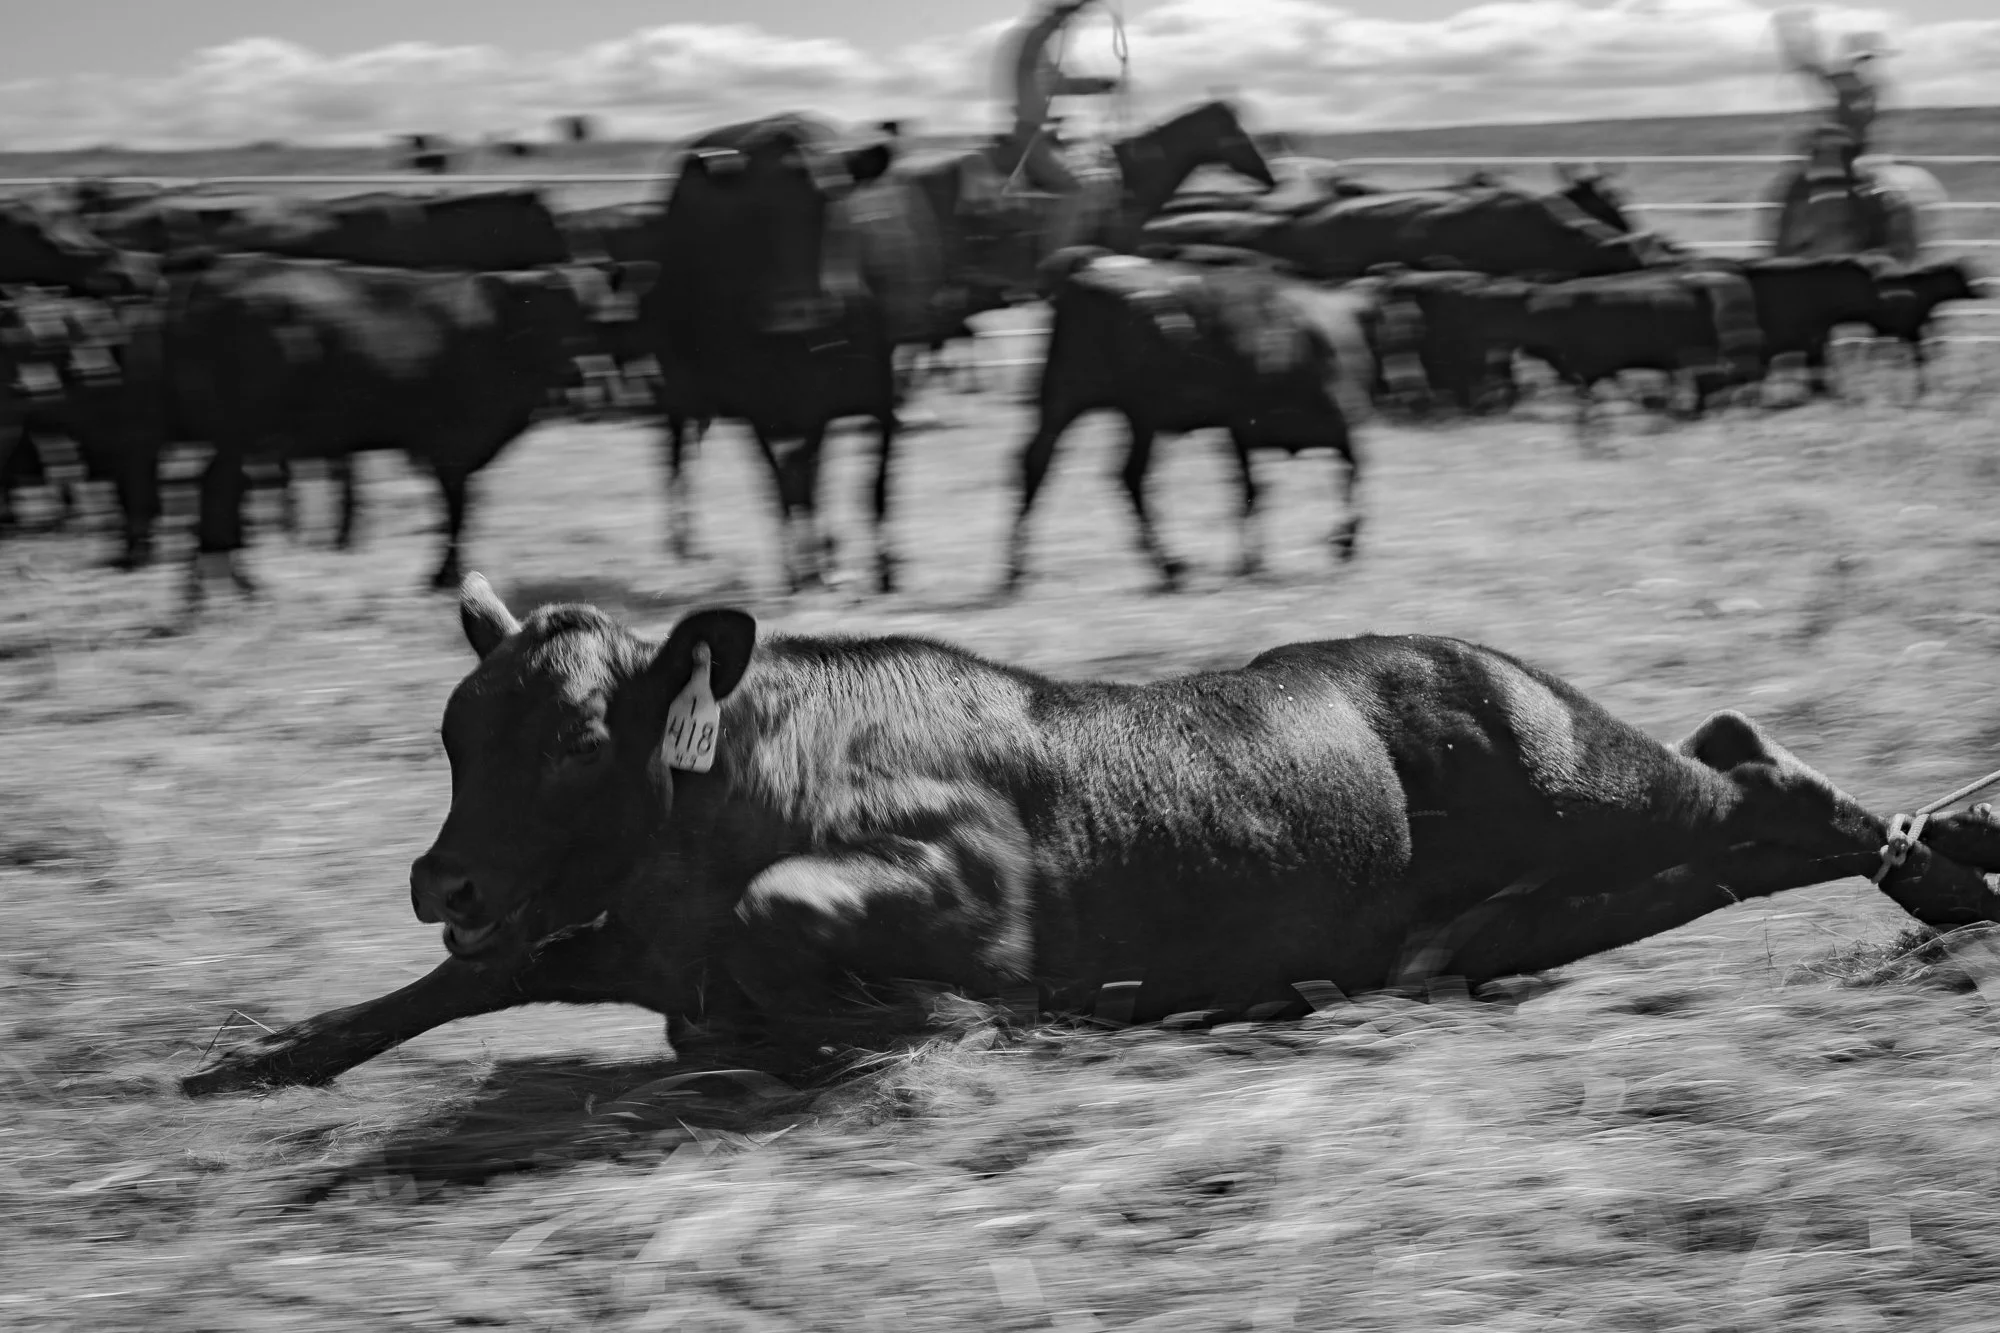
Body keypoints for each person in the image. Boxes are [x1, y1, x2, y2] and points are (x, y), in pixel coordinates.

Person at [994, 0, 1123, 250]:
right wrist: (1063, 14)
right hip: (1029, 138)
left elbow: (1060, 85)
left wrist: (1101, 84)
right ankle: (1055, 261)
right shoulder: (1029, 45)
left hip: (1042, 137)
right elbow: (1038, 39)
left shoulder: (1039, 56)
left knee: (1099, 180)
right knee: (1076, 191)